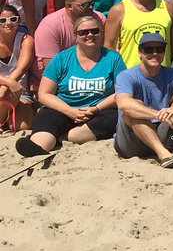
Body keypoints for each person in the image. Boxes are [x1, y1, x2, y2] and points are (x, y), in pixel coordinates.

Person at [14, 14, 124, 157]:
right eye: (83, 32)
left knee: (114, 118)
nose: (90, 35)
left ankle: (64, 137)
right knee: (45, 118)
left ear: (100, 33)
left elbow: (121, 92)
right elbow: (44, 94)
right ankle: (39, 145)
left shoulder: (113, 58)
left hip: (98, 111)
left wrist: (95, 109)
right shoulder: (61, 58)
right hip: (64, 108)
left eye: (94, 31)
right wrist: (69, 111)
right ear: (75, 36)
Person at [113, 32, 173, 168]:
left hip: (161, 132)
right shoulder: (126, 75)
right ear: (140, 53)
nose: (154, 53)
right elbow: (123, 104)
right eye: (148, 49)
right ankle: (163, 154)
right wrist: (158, 115)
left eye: (159, 49)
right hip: (131, 141)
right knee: (134, 109)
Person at [33, 0, 104, 73]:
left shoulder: (99, 19)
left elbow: (104, 52)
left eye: (92, 3)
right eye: (85, 5)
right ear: (69, 6)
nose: (90, 7)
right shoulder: (50, 26)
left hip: (91, 71)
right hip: (57, 75)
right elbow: (51, 67)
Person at [0, 4, 34, 132]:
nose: (8, 23)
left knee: (21, 127)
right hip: (7, 88)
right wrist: (8, 83)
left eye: (13, 19)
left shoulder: (25, 40)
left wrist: (7, 87)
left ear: (18, 21)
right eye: (2, 20)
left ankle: (5, 117)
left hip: (19, 91)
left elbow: (21, 68)